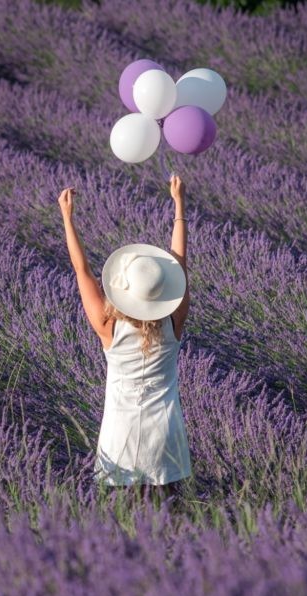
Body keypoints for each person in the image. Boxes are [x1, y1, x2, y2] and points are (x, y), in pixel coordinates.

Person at [58, 174, 191, 504]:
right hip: (166, 439)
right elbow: (181, 263)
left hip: (120, 441)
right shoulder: (173, 323)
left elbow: (82, 270)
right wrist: (179, 205)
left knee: (122, 525)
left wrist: (67, 218)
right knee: (172, 520)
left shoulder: (109, 328)